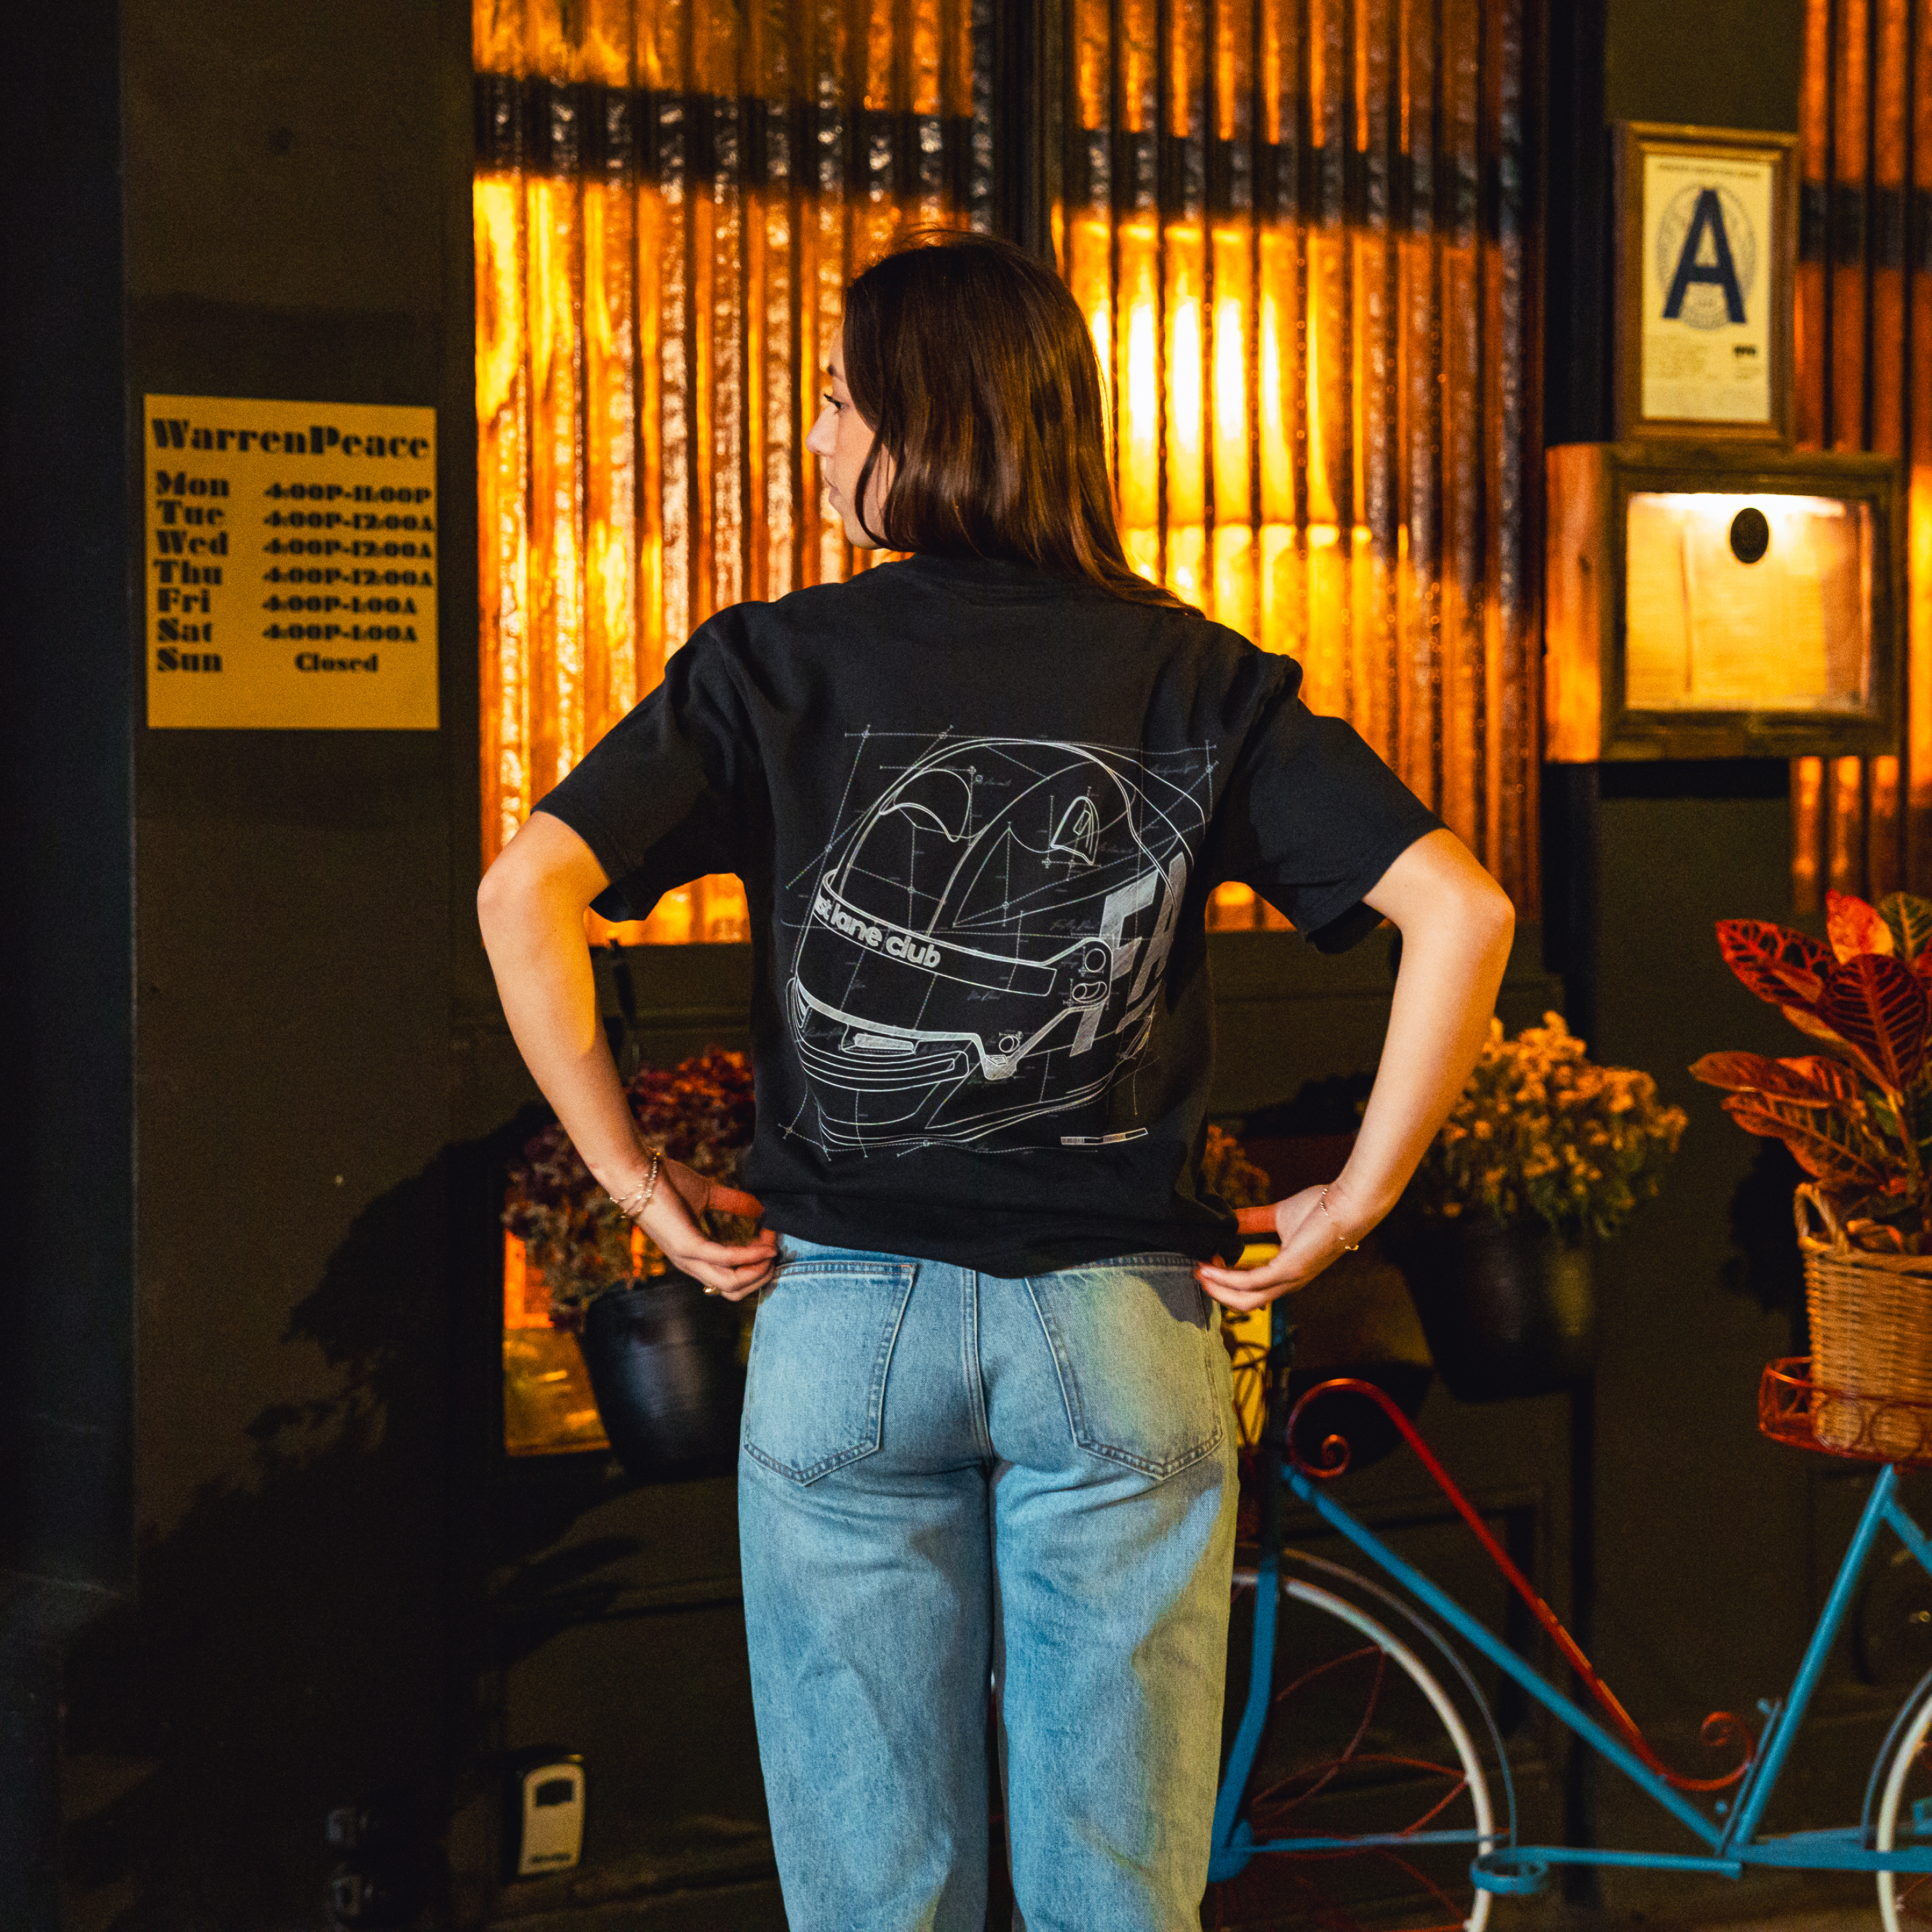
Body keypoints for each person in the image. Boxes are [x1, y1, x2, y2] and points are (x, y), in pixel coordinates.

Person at [477, 229, 1513, 1932]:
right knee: (1122, 1903)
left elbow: (527, 894)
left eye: (832, 403)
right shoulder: (1192, 673)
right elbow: (1457, 911)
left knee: (877, 1905)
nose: (814, 444)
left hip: (844, 1320)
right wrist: (1358, 1197)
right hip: (1118, 1323)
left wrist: (630, 1178)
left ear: (919, 420)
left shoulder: (770, 668)